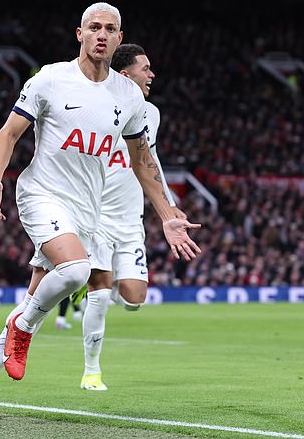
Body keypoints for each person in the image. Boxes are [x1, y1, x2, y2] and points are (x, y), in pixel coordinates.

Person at [0, 2, 201, 420]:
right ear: (80, 34)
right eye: (94, 27)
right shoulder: (51, 79)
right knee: (75, 271)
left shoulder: (128, 96)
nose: (102, 34)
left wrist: (166, 215)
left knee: (35, 297)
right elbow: (9, 132)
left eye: (110, 28)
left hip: (87, 209)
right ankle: (21, 332)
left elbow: (141, 160)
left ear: (119, 38)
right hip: (42, 193)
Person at [74, 43, 188, 391]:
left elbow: (149, 161)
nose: (151, 74)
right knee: (100, 292)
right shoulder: (93, 105)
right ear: (125, 75)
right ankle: (91, 371)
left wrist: (168, 205)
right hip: (97, 217)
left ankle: (85, 286)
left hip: (130, 220)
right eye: (145, 68)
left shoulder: (150, 113)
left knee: (135, 299)